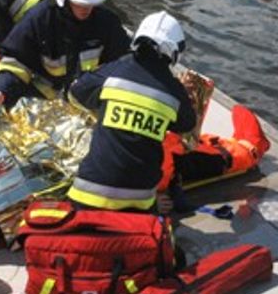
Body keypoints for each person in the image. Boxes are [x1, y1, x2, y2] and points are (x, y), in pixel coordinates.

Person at [66, 11, 198, 211]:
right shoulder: (173, 92)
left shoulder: (113, 71)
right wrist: (182, 94)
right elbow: (187, 124)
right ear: (174, 52)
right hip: (139, 202)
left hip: (87, 195)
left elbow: (76, 91)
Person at [0, 0, 130, 109]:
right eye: (81, 4)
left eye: (91, 4)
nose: (87, 9)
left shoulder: (105, 22)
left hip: (88, 101)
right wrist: (2, 90)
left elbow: (122, 61)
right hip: (46, 103)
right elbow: (16, 62)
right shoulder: (39, 20)